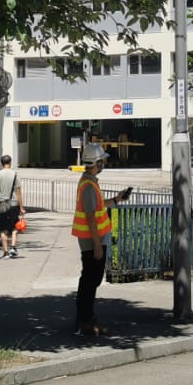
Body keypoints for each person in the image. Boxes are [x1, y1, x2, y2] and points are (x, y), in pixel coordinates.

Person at [72, 143, 130, 335]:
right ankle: (86, 320)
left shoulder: (90, 181)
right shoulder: (88, 184)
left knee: (90, 279)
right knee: (91, 279)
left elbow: (97, 206)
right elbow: (90, 215)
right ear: (96, 162)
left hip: (93, 240)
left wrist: (116, 200)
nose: (104, 163)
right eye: (102, 160)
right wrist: (97, 244)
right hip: (92, 241)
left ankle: (85, 318)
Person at [0, 154, 23, 258]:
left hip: (1, 205)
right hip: (13, 204)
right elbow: (18, 192)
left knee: (2, 229)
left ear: (1, 163)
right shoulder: (15, 175)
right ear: (10, 162)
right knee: (15, 226)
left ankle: (6, 252)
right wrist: (21, 207)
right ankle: (13, 247)